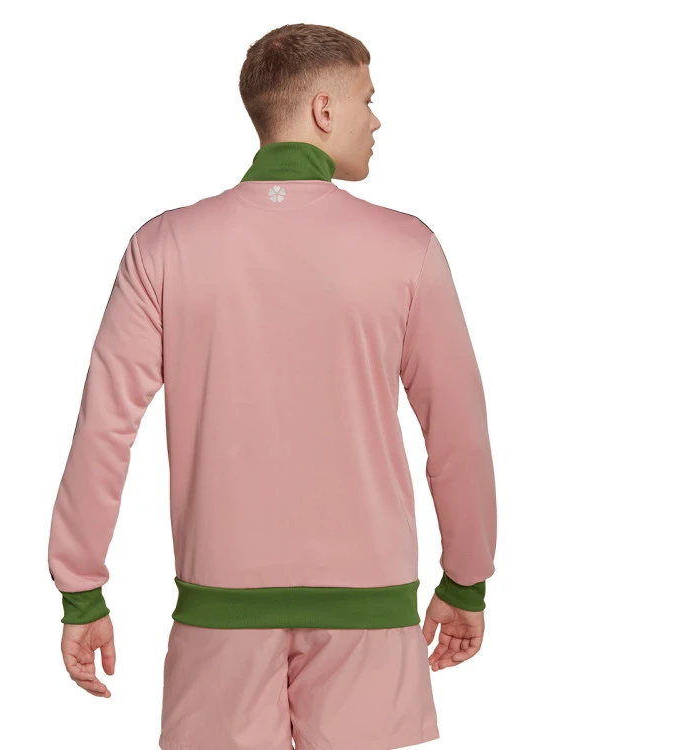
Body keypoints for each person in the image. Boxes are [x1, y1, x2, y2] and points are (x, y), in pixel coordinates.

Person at [47, 22, 497, 750]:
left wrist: (81, 590)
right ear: (323, 109)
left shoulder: (164, 246)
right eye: (367, 100)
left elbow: (104, 426)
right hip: (368, 614)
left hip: (218, 613)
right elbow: (458, 431)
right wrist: (465, 578)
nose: (376, 121)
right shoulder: (406, 248)